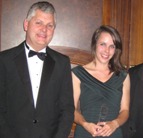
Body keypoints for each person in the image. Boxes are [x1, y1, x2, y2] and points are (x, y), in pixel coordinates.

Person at [0, 1, 74, 138]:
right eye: (38, 22)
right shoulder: (4, 60)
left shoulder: (62, 63)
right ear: (26, 24)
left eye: (49, 25)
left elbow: (67, 109)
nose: (44, 29)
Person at [72, 25, 130, 138]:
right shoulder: (77, 74)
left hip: (113, 134)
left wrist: (114, 124)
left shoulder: (123, 76)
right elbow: (71, 110)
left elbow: (125, 110)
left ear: (116, 50)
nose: (107, 51)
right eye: (102, 44)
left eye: (112, 46)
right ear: (95, 44)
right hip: (86, 133)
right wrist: (85, 124)